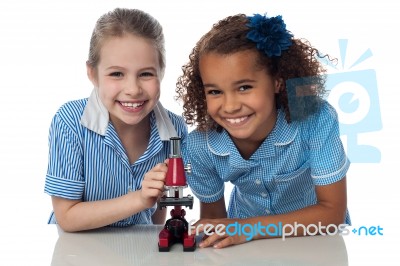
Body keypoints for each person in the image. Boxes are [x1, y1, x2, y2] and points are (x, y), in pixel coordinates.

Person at [176, 13, 351, 248]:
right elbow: (215, 226)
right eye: (215, 92)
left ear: (277, 81)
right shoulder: (200, 146)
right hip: (246, 247)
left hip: (315, 242)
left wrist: (251, 228)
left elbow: (332, 214)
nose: (230, 106)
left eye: (244, 87)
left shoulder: (315, 120)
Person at [44, 8, 187, 232]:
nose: (133, 89)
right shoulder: (70, 121)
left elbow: (158, 210)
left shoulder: (175, 129)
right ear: (92, 74)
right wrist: (139, 199)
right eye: (117, 74)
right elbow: (67, 217)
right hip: (77, 252)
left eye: (146, 74)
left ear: (162, 72)